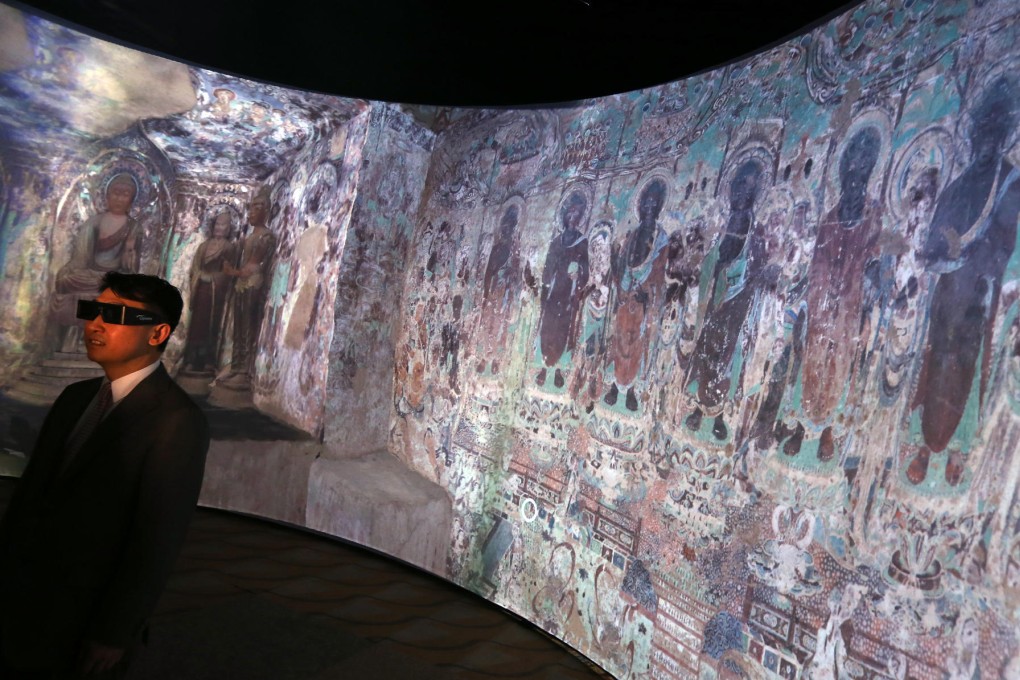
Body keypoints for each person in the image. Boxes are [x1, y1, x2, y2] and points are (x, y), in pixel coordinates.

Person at [0, 272, 210, 678]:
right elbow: (31, 496)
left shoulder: (177, 421)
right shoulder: (75, 397)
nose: (95, 324)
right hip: (19, 598)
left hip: (83, 616)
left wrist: (114, 632)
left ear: (157, 333)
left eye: (114, 315)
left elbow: (156, 538)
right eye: (93, 311)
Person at [51, 174, 141, 348]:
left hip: (114, 277)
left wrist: (129, 251)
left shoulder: (133, 227)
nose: (119, 198)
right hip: (88, 274)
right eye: (116, 192)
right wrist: (73, 269)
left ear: (132, 200)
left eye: (125, 194)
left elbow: (131, 267)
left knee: (127, 288)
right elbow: (80, 257)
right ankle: (73, 338)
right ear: (106, 196)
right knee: (64, 278)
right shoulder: (94, 222)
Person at [182, 210, 237, 373]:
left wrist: (213, 278)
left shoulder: (228, 247)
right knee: (196, 325)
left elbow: (228, 272)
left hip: (215, 293)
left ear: (228, 228)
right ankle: (191, 358)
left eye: (223, 225)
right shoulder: (203, 246)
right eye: (217, 224)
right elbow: (195, 268)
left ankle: (208, 360)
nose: (219, 228)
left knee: (211, 324)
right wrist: (199, 277)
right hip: (201, 290)